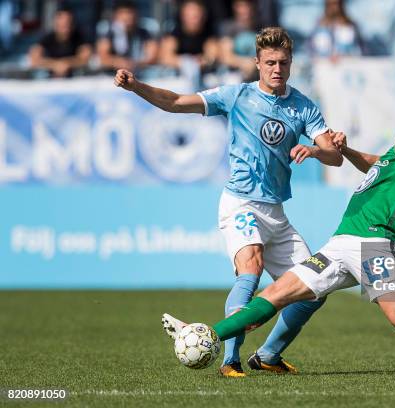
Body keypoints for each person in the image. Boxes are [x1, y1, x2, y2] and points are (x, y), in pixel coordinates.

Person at [164, 53, 395, 378]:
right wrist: (339, 149)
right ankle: (208, 333)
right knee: (274, 296)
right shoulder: (394, 155)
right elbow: (374, 164)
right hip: (339, 245)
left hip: (375, 246)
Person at [114, 27, 342, 377]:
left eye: (283, 62)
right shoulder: (236, 96)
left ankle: (268, 355)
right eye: (270, 62)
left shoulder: (303, 106)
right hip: (240, 203)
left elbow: (334, 157)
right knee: (250, 268)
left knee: (314, 289)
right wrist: (136, 86)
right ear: (257, 63)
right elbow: (175, 102)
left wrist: (315, 150)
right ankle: (229, 361)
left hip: (276, 211)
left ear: (291, 62)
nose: (276, 69)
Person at [28, 6, 92, 77]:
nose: (65, 26)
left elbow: (85, 58)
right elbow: (34, 59)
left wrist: (66, 64)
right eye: (62, 24)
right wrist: (55, 65)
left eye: (68, 23)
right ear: (56, 23)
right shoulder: (47, 38)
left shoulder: (79, 37)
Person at [96, 0, 158, 72]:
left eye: (129, 12)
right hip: (112, 75)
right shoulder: (109, 31)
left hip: (139, 73)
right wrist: (117, 62)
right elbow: (102, 57)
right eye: (122, 13)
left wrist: (134, 64)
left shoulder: (145, 32)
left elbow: (152, 56)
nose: (126, 17)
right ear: (115, 16)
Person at [158, 0, 218, 73]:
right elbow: (165, 58)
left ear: (203, 16)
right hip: (179, 75)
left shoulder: (208, 33)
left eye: (195, 16)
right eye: (188, 16)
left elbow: (212, 56)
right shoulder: (175, 33)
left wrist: (203, 61)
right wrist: (188, 62)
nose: (192, 20)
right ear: (182, 16)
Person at [218, 0, 260, 81]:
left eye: (248, 5)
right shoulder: (228, 28)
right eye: (241, 6)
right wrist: (246, 63)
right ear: (235, 7)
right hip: (233, 74)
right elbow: (226, 57)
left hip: (258, 74)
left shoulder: (261, 28)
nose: (245, 10)